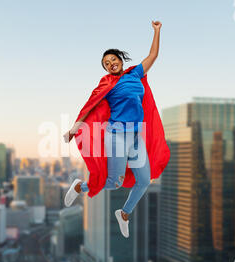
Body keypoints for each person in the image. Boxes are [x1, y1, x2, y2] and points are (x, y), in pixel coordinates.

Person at [63, 21, 169, 238]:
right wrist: (75, 127)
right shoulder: (107, 84)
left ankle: (124, 213)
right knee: (113, 182)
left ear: (121, 60)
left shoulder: (135, 74)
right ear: (105, 68)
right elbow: (90, 105)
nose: (110, 64)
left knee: (144, 181)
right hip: (116, 136)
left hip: (135, 137)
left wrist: (157, 31)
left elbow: (153, 55)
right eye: (106, 63)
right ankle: (79, 187)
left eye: (113, 60)